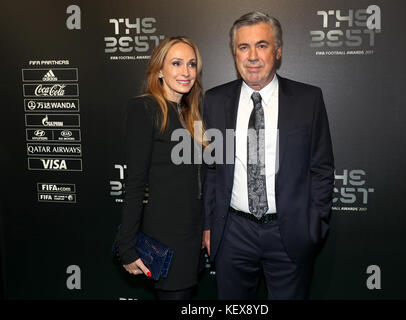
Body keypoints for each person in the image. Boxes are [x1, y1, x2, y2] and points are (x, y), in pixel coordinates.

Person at [201, 12, 334, 299]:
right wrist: (210, 225)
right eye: (243, 47)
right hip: (233, 233)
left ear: (278, 51)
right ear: (234, 53)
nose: (252, 56)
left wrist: (314, 225)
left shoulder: (308, 99)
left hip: (290, 234)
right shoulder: (214, 100)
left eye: (261, 45)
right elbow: (211, 169)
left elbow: (321, 168)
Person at [115, 36, 206, 300]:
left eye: (191, 64)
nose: (186, 72)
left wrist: (205, 228)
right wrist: (127, 247)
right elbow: (135, 183)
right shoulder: (145, 108)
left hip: (193, 234)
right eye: (176, 63)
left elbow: (198, 178)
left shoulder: (192, 112)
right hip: (165, 235)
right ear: (159, 70)